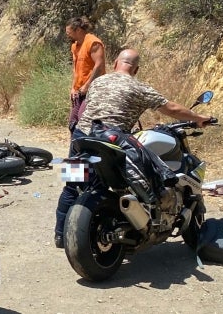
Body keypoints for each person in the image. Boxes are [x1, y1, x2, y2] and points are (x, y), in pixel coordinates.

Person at [53, 48, 212, 248]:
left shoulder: (98, 82)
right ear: (136, 70)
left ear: (115, 64)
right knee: (119, 183)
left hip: (81, 138)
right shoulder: (139, 88)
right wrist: (198, 118)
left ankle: (60, 235)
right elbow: (171, 108)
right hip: (111, 141)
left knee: (71, 186)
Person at [65, 17, 105, 131]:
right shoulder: (75, 46)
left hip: (93, 90)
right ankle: (75, 148)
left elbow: (99, 66)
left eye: (69, 32)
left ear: (78, 30)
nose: (68, 35)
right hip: (79, 91)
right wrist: (73, 87)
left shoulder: (93, 42)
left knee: (84, 123)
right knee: (73, 123)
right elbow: (76, 68)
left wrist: (87, 85)